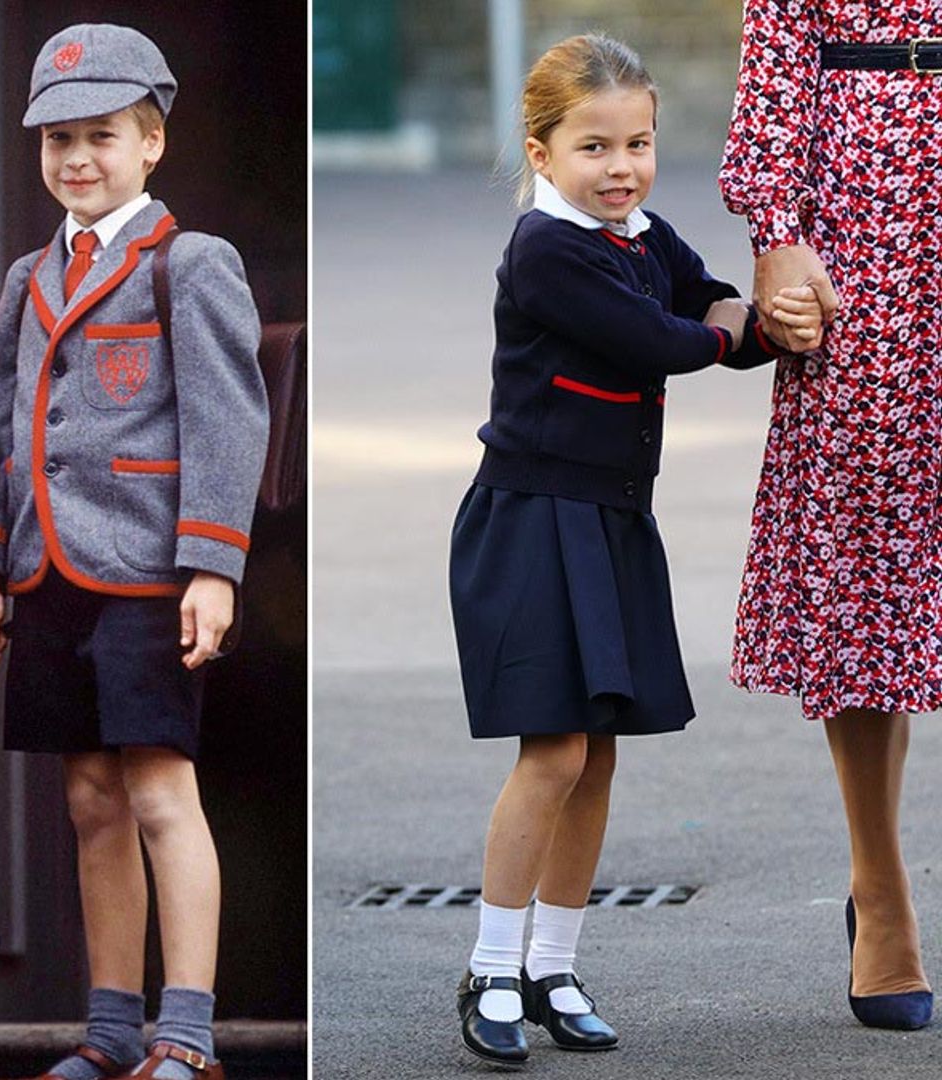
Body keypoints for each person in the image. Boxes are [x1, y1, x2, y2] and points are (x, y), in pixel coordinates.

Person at [447, 34, 816, 1066]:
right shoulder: (548, 248)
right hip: (531, 520)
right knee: (553, 749)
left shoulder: (640, 234)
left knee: (598, 753)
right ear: (542, 152)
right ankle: (490, 967)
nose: (621, 167)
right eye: (595, 147)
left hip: (609, 520)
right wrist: (764, 327)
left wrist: (746, 316)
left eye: (639, 143)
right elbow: (667, 336)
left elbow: (696, 292)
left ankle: (553, 967)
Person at [0, 24, 266, 1080]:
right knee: (88, 799)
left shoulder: (190, 263)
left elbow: (228, 420)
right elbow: (3, 427)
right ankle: (108, 1031)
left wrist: (214, 565)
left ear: (152, 143)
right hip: (49, 575)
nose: (76, 160)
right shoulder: (23, 279)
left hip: (150, 574)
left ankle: (183, 1032)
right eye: (57, 141)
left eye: (99, 136)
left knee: (156, 792)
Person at [722, 0, 942, 1032]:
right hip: (870, 210)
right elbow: (778, 44)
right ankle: (882, 888)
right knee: (869, 551)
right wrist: (779, 234)